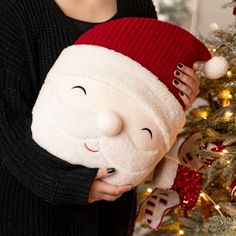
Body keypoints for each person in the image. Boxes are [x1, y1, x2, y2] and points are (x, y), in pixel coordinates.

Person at [0, 0, 200, 235]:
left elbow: (145, 100)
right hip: (31, 205)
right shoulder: (14, 10)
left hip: (111, 210)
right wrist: (66, 183)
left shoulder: (138, 6)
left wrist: (176, 97)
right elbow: (7, 121)